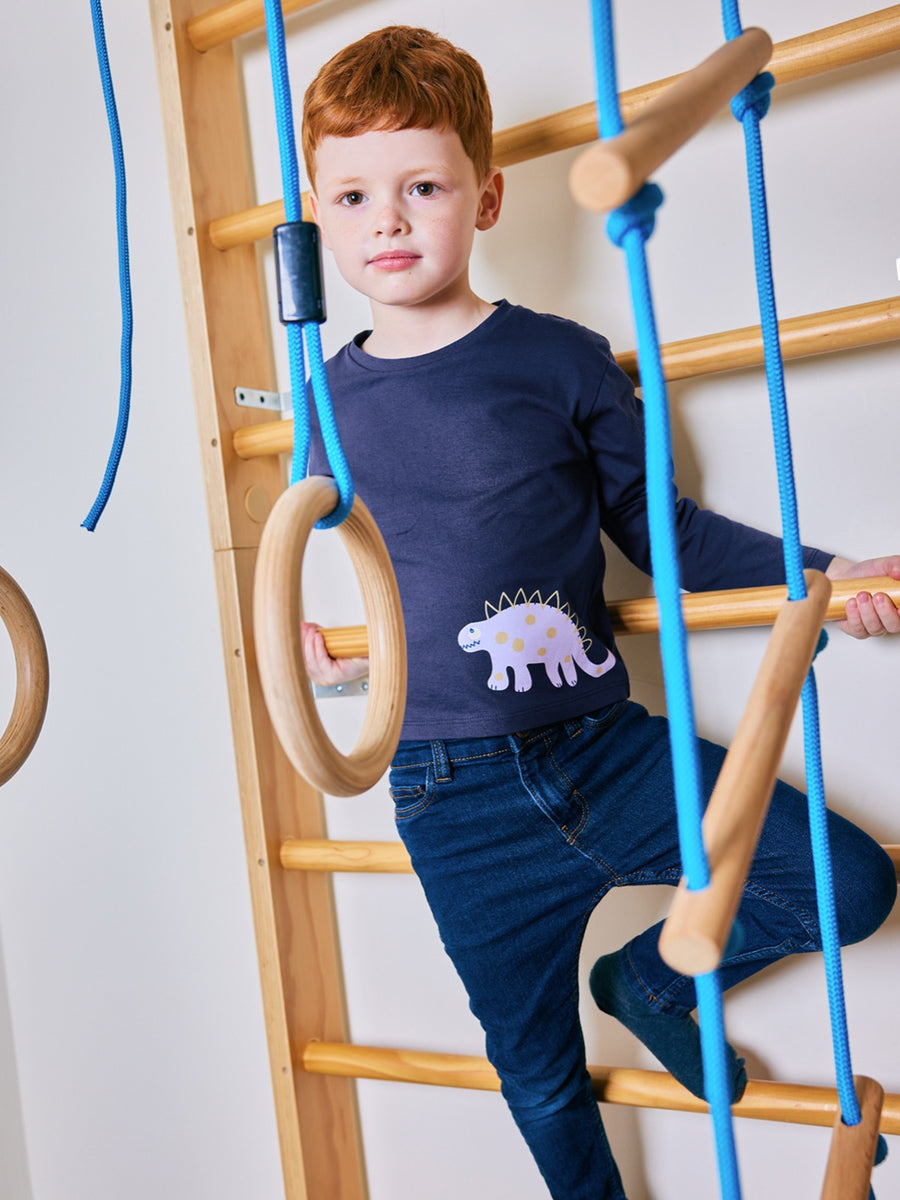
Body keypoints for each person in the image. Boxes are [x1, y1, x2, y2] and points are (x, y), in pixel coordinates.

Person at [297, 25, 900, 1199]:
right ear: (318, 214)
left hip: (602, 753)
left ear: (486, 198)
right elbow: (390, 580)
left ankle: (654, 983)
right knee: (535, 1072)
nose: (389, 221)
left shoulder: (564, 361)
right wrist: (341, 670)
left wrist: (836, 576)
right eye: (355, 195)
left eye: (423, 187)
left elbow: (671, 539)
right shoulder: (325, 403)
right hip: (448, 797)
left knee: (851, 885)